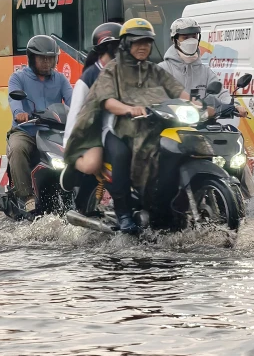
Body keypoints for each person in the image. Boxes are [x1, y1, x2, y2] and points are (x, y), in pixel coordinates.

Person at [63, 18, 190, 234]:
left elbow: (178, 90)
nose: (143, 47)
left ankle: (163, 207)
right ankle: (124, 213)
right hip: (115, 129)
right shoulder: (112, 70)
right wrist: (129, 109)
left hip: (148, 128)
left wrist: (194, 103)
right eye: (137, 42)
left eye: (147, 42)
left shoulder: (154, 70)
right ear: (126, 44)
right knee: (120, 155)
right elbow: (107, 101)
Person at [6, 34, 73, 213]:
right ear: (31, 58)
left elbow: (73, 100)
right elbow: (14, 100)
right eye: (42, 58)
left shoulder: (60, 79)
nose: (47, 62)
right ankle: (27, 197)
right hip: (26, 131)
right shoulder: (18, 78)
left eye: (51, 58)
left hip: (53, 131)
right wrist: (19, 113)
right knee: (17, 148)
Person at [160, 18, 248, 119]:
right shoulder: (162, 69)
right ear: (174, 40)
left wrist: (235, 105)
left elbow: (221, 93)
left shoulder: (205, 72)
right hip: (170, 124)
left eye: (194, 37)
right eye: (185, 38)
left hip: (201, 125)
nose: (191, 41)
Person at [66, 22, 122, 174]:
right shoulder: (88, 77)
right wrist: (69, 146)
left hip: (121, 127)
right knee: (92, 164)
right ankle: (73, 163)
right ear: (107, 47)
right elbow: (76, 112)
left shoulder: (124, 71)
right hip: (93, 130)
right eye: (118, 45)